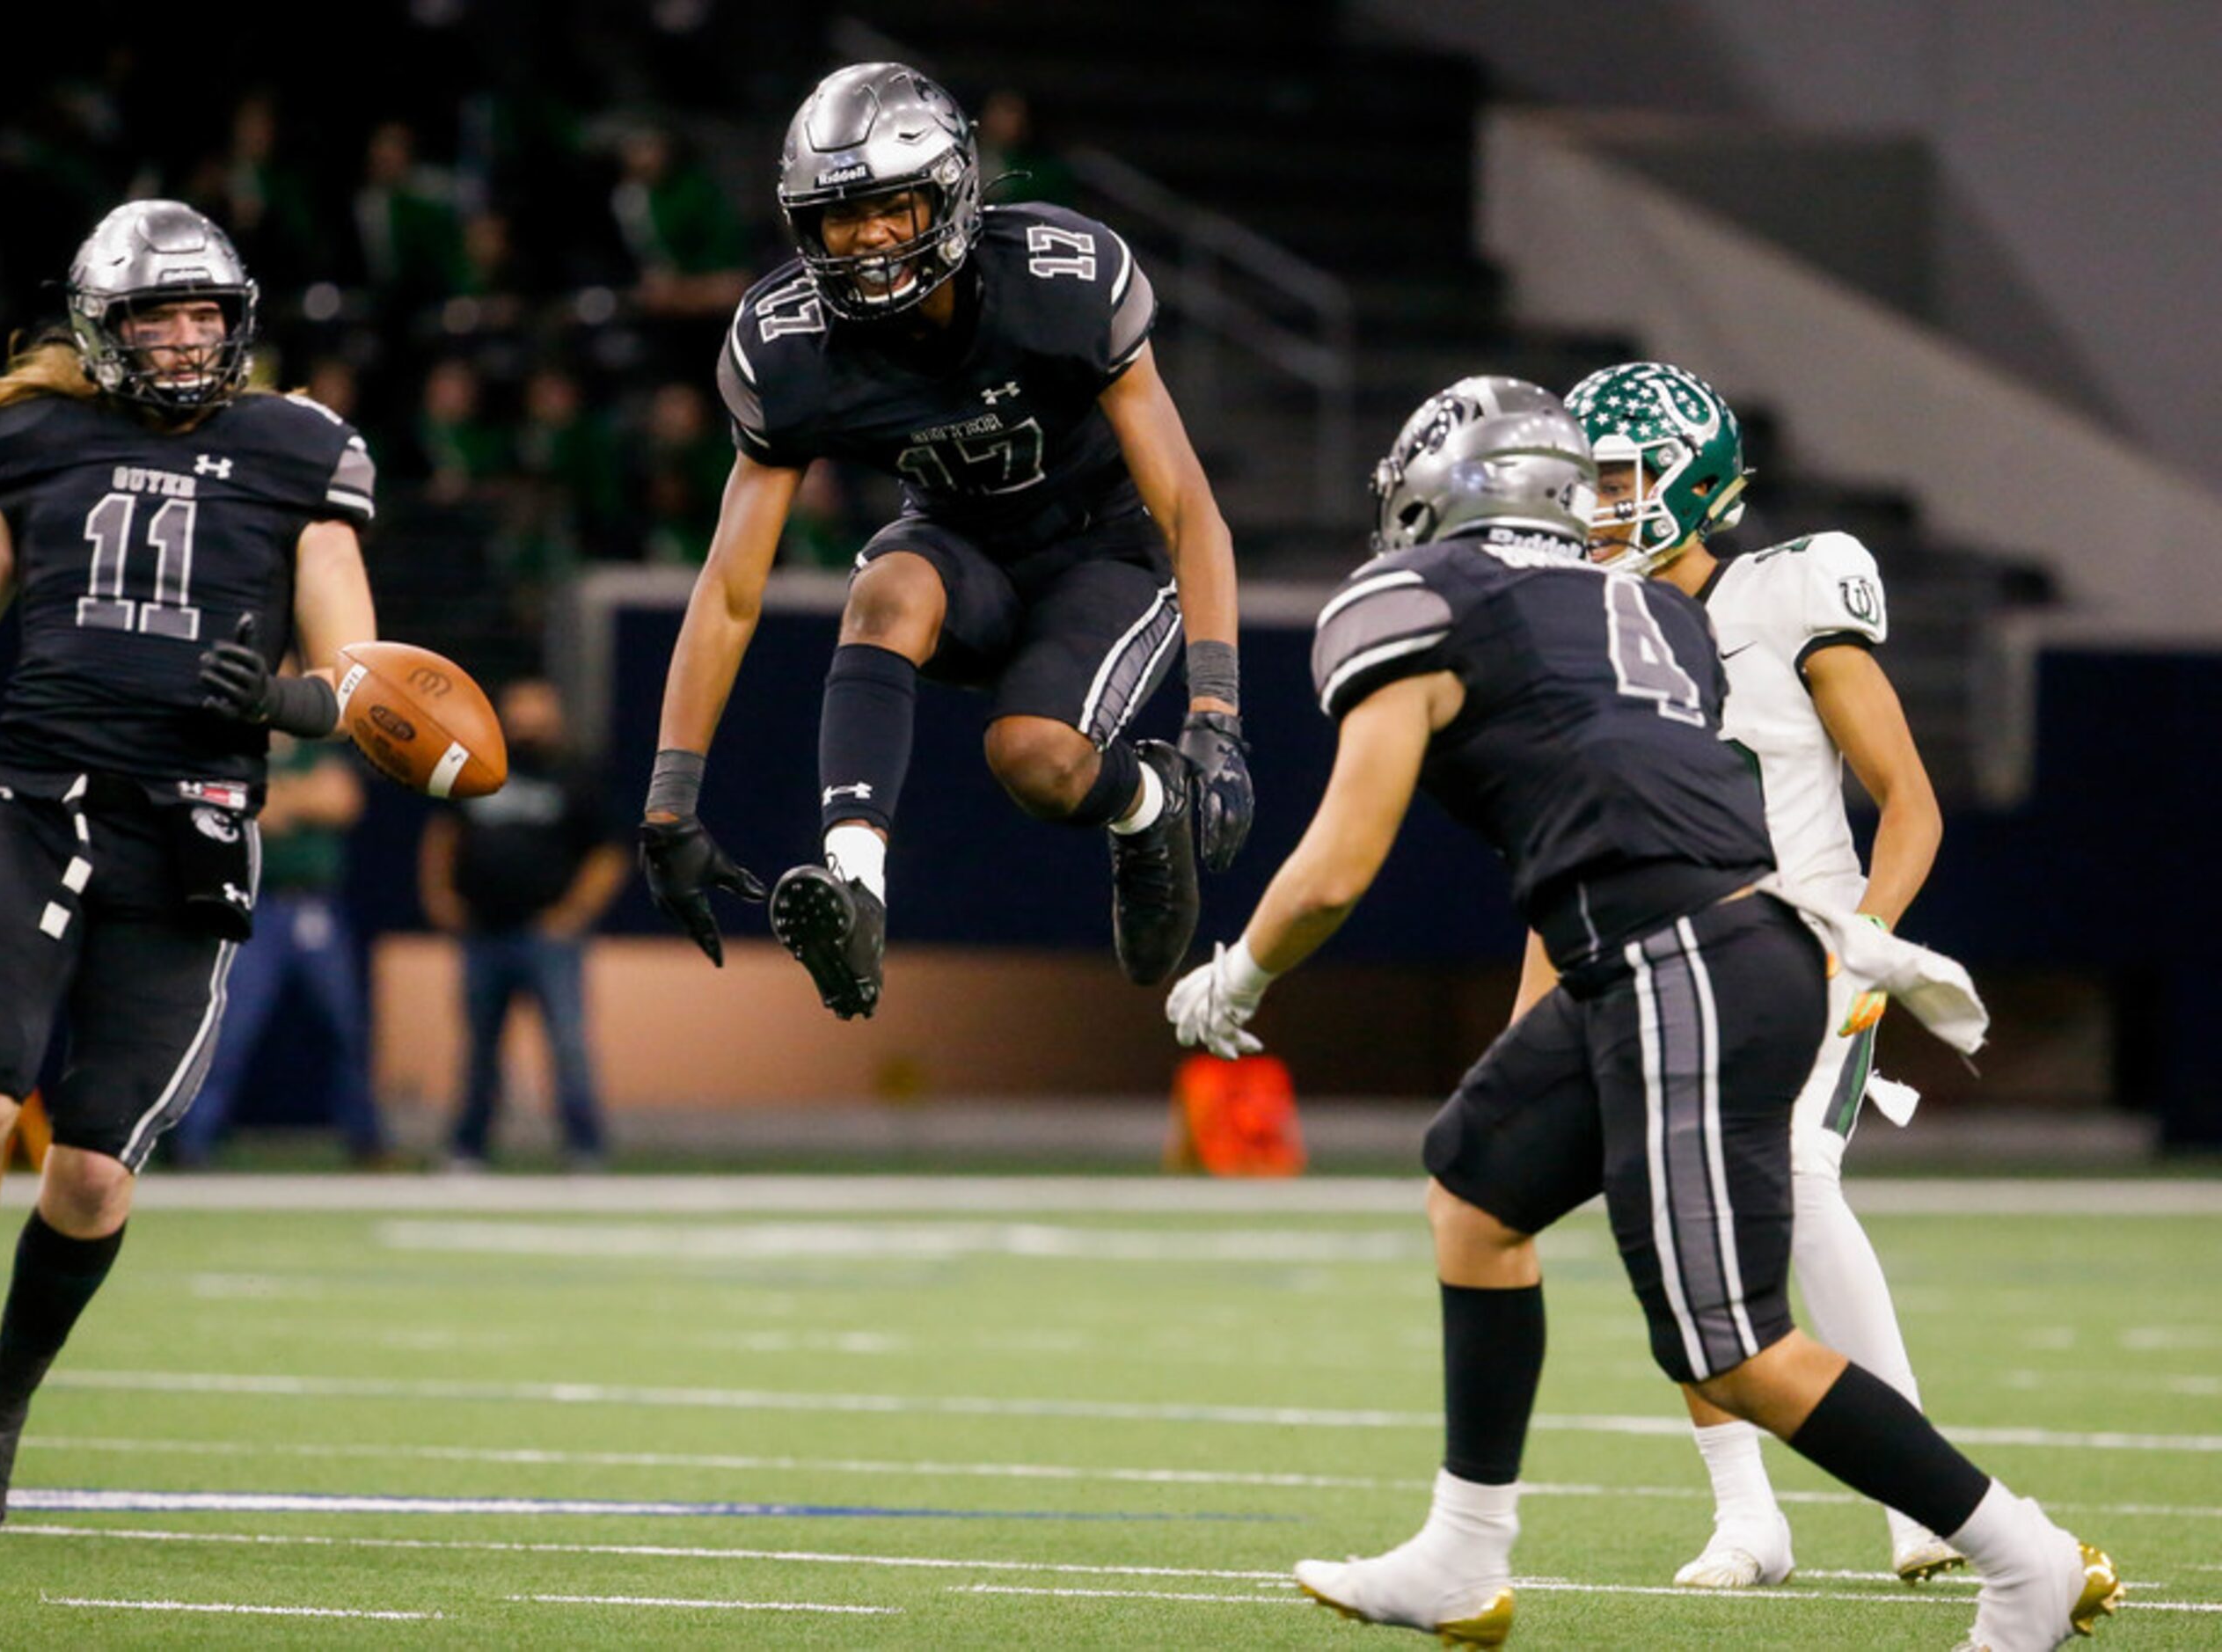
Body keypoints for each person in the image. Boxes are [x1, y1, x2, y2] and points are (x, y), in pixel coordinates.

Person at [1166, 377, 2117, 1649]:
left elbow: (1341, 864)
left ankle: (2019, 1553)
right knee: (1475, 1182)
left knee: (1737, 1348)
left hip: (1687, 960)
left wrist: (1240, 975)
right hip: (1678, 949)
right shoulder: (1644, 612)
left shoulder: (1415, 604)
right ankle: (1462, 1551)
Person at [0, 200, 379, 1531]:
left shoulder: (302, 448)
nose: (187, 339)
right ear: (103, 328)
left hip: (188, 826)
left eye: (205, 314)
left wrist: (298, 705)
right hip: (36, 801)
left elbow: (361, 670)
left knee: (90, 1172)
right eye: (158, 314)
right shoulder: (31, 431)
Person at [638, 62, 1254, 1020]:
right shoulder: (788, 342)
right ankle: (857, 892)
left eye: (894, 205)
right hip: (958, 544)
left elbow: (1185, 506)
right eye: (843, 216)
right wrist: (669, 800)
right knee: (884, 590)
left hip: (1103, 548)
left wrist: (1214, 710)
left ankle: (1145, 805)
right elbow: (727, 589)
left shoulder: (1058, 280)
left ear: (952, 195)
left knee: (1034, 760)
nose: (871, 237)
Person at [1565, 360, 1957, 1589]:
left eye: (1619, 482)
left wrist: (1872, 941)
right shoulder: (1588, 635)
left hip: (1810, 947)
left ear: (1691, 483)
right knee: (1665, 1221)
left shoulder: (1788, 599)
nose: (1596, 507)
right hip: (1659, 957)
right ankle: (1748, 1518)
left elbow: (1911, 805)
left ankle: (1924, 1493)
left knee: (1796, 1174)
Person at [420, 678, 626, 1166]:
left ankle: (585, 1148)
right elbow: (443, 831)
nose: (526, 720)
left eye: (535, 709)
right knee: (480, 1049)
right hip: (483, 931)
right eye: (517, 709)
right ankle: (468, 1148)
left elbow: (610, 853)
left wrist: (573, 913)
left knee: (568, 1044)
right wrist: (439, 894)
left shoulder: (574, 775)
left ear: (554, 715)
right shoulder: (475, 764)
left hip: (546, 936)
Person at [172, 735, 386, 1168]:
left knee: (345, 1026)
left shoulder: (317, 749)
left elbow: (342, 802)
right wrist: (301, 796)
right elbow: (229, 810)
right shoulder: (237, 751)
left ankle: (367, 1139)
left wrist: (274, 798)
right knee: (228, 1028)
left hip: (314, 904)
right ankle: (192, 1141)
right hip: (255, 907)